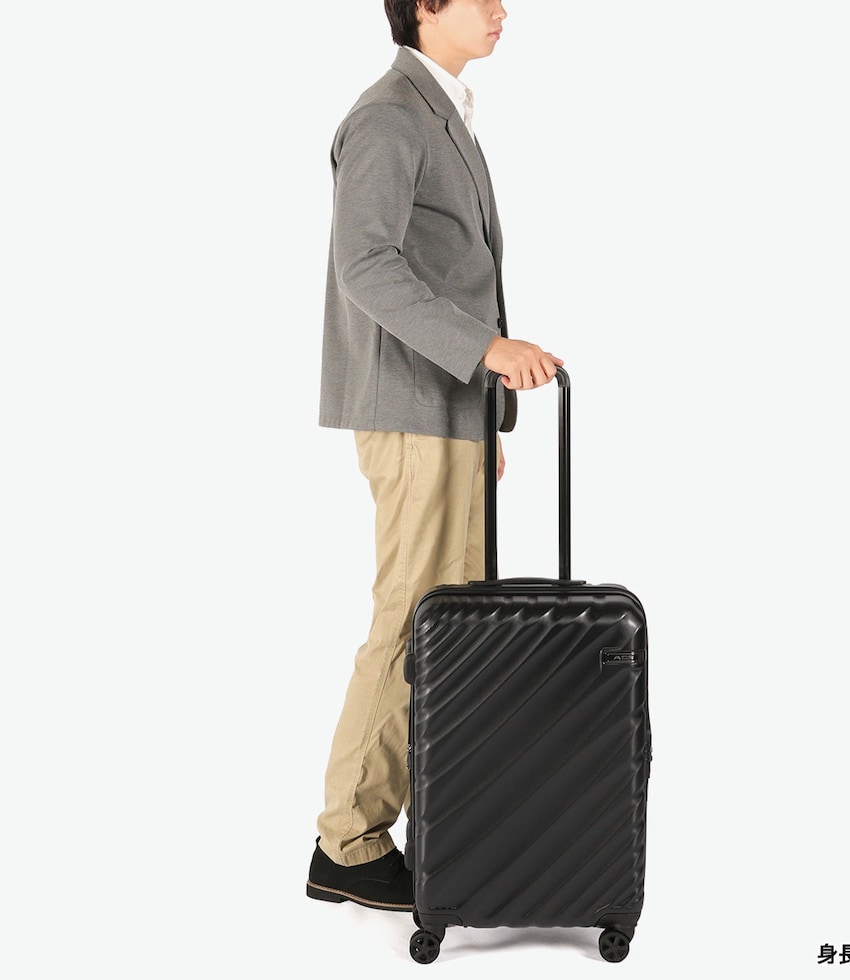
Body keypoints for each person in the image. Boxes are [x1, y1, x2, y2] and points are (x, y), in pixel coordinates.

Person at [306, 0, 563, 913]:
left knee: (444, 625)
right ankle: (347, 840)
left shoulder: (439, 111)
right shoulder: (389, 115)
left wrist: (480, 420)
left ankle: (431, 827)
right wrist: (487, 352)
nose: (502, 9)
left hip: (446, 414)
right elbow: (366, 266)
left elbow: (442, 268)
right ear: (423, 8)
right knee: (414, 621)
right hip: (414, 409)